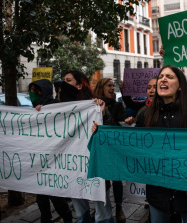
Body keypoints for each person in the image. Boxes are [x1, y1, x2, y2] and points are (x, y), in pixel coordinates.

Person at [136, 65, 187, 223]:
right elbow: (135, 148)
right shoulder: (145, 116)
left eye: (169, 77)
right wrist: (100, 131)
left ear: (180, 86)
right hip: (158, 196)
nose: (163, 79)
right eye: (161, 77)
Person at [59, 71, 114, 223]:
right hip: (72, 167)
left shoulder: (94, 105)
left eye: (68, 80)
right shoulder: (59, 108)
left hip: (95, 166)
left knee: (102, 210)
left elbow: (110, 132)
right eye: (64, 80)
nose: (64, 84)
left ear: (79, 85)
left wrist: (102, 114)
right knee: (80, 210)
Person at [29, 79, 73, 223]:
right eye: (32, 91)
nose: (33, 94)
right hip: (40, 159)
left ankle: (67, 217)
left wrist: (45, 112)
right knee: (41, 197)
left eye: (37, 90)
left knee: (55, 195)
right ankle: (45, 218)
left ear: (45, 90)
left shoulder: (54, 106)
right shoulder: (33, 109)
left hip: (55, 159)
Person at [94, 78, 126, 223]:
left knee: (117, 179)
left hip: (114, 147)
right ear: (102, 87)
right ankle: (103, 208)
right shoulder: (92, 104)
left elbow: (118, 126)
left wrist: (106, 114)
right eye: (109, 85)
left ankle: (119, 207)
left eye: (113, 85)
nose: (112, 88)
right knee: (103, 180)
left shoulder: (118, 105)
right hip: (100, 149)